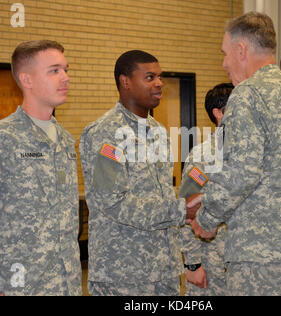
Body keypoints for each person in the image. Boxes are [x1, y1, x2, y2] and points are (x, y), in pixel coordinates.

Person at [191, 12, 281, 296]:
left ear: (241, 50)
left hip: (267, 257)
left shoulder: (248, 95)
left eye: (225, 53)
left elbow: (242, 172)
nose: (223, 62)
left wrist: (206, 218)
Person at [0, 40, 81, 296]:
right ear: (26, 80)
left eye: (66, 69)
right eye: (54, 70)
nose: (65, 78)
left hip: (64, 285)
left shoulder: (63, 140)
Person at [79, 50, 201, 296]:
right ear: (125, 82)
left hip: (163, 268)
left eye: (160, 77)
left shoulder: (158, 131)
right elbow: (112, 202)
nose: (159, 84)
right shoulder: (106, 133)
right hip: (124, 274)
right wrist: (180, 210)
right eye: (149, 77)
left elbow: (161, 192)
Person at [179, 83, 233, 296]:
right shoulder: (202, 157)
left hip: (243, 263)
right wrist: (192, 265)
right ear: (218, 114)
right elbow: (186, 211)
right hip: (213, 264)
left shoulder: (249, 154)